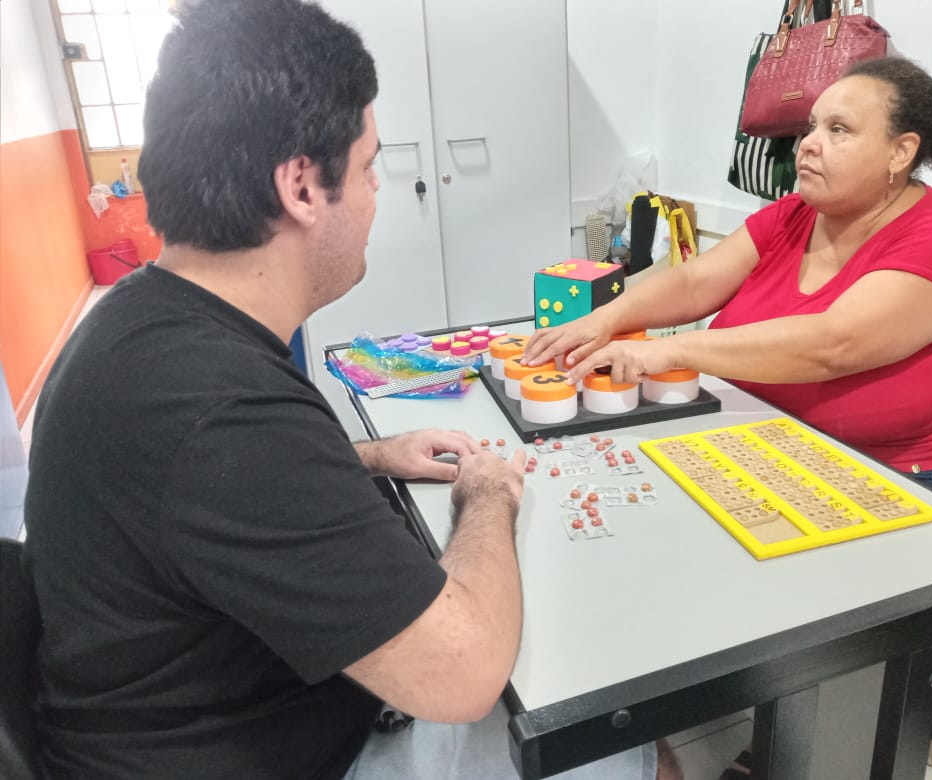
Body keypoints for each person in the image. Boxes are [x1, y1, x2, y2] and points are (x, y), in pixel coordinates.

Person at [23, 1, 677, 778]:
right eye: (369, 167)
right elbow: (464, 672)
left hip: (211, 713)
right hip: (264, 755)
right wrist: (489, 494)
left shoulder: (141, 325)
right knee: (612, 734)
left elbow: (206, 493)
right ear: (302, 185)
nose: (376, 192)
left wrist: (362, 457)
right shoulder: (220, 410)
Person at [524, 57, 932, 502]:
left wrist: (668, 349)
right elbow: (695, 282)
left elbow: (835, 343)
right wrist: (604, 319)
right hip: (763, 441)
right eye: (812, 126)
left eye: (839, 130)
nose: (807, 143)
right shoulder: (795, 213)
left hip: (885, 473)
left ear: (901, 151)